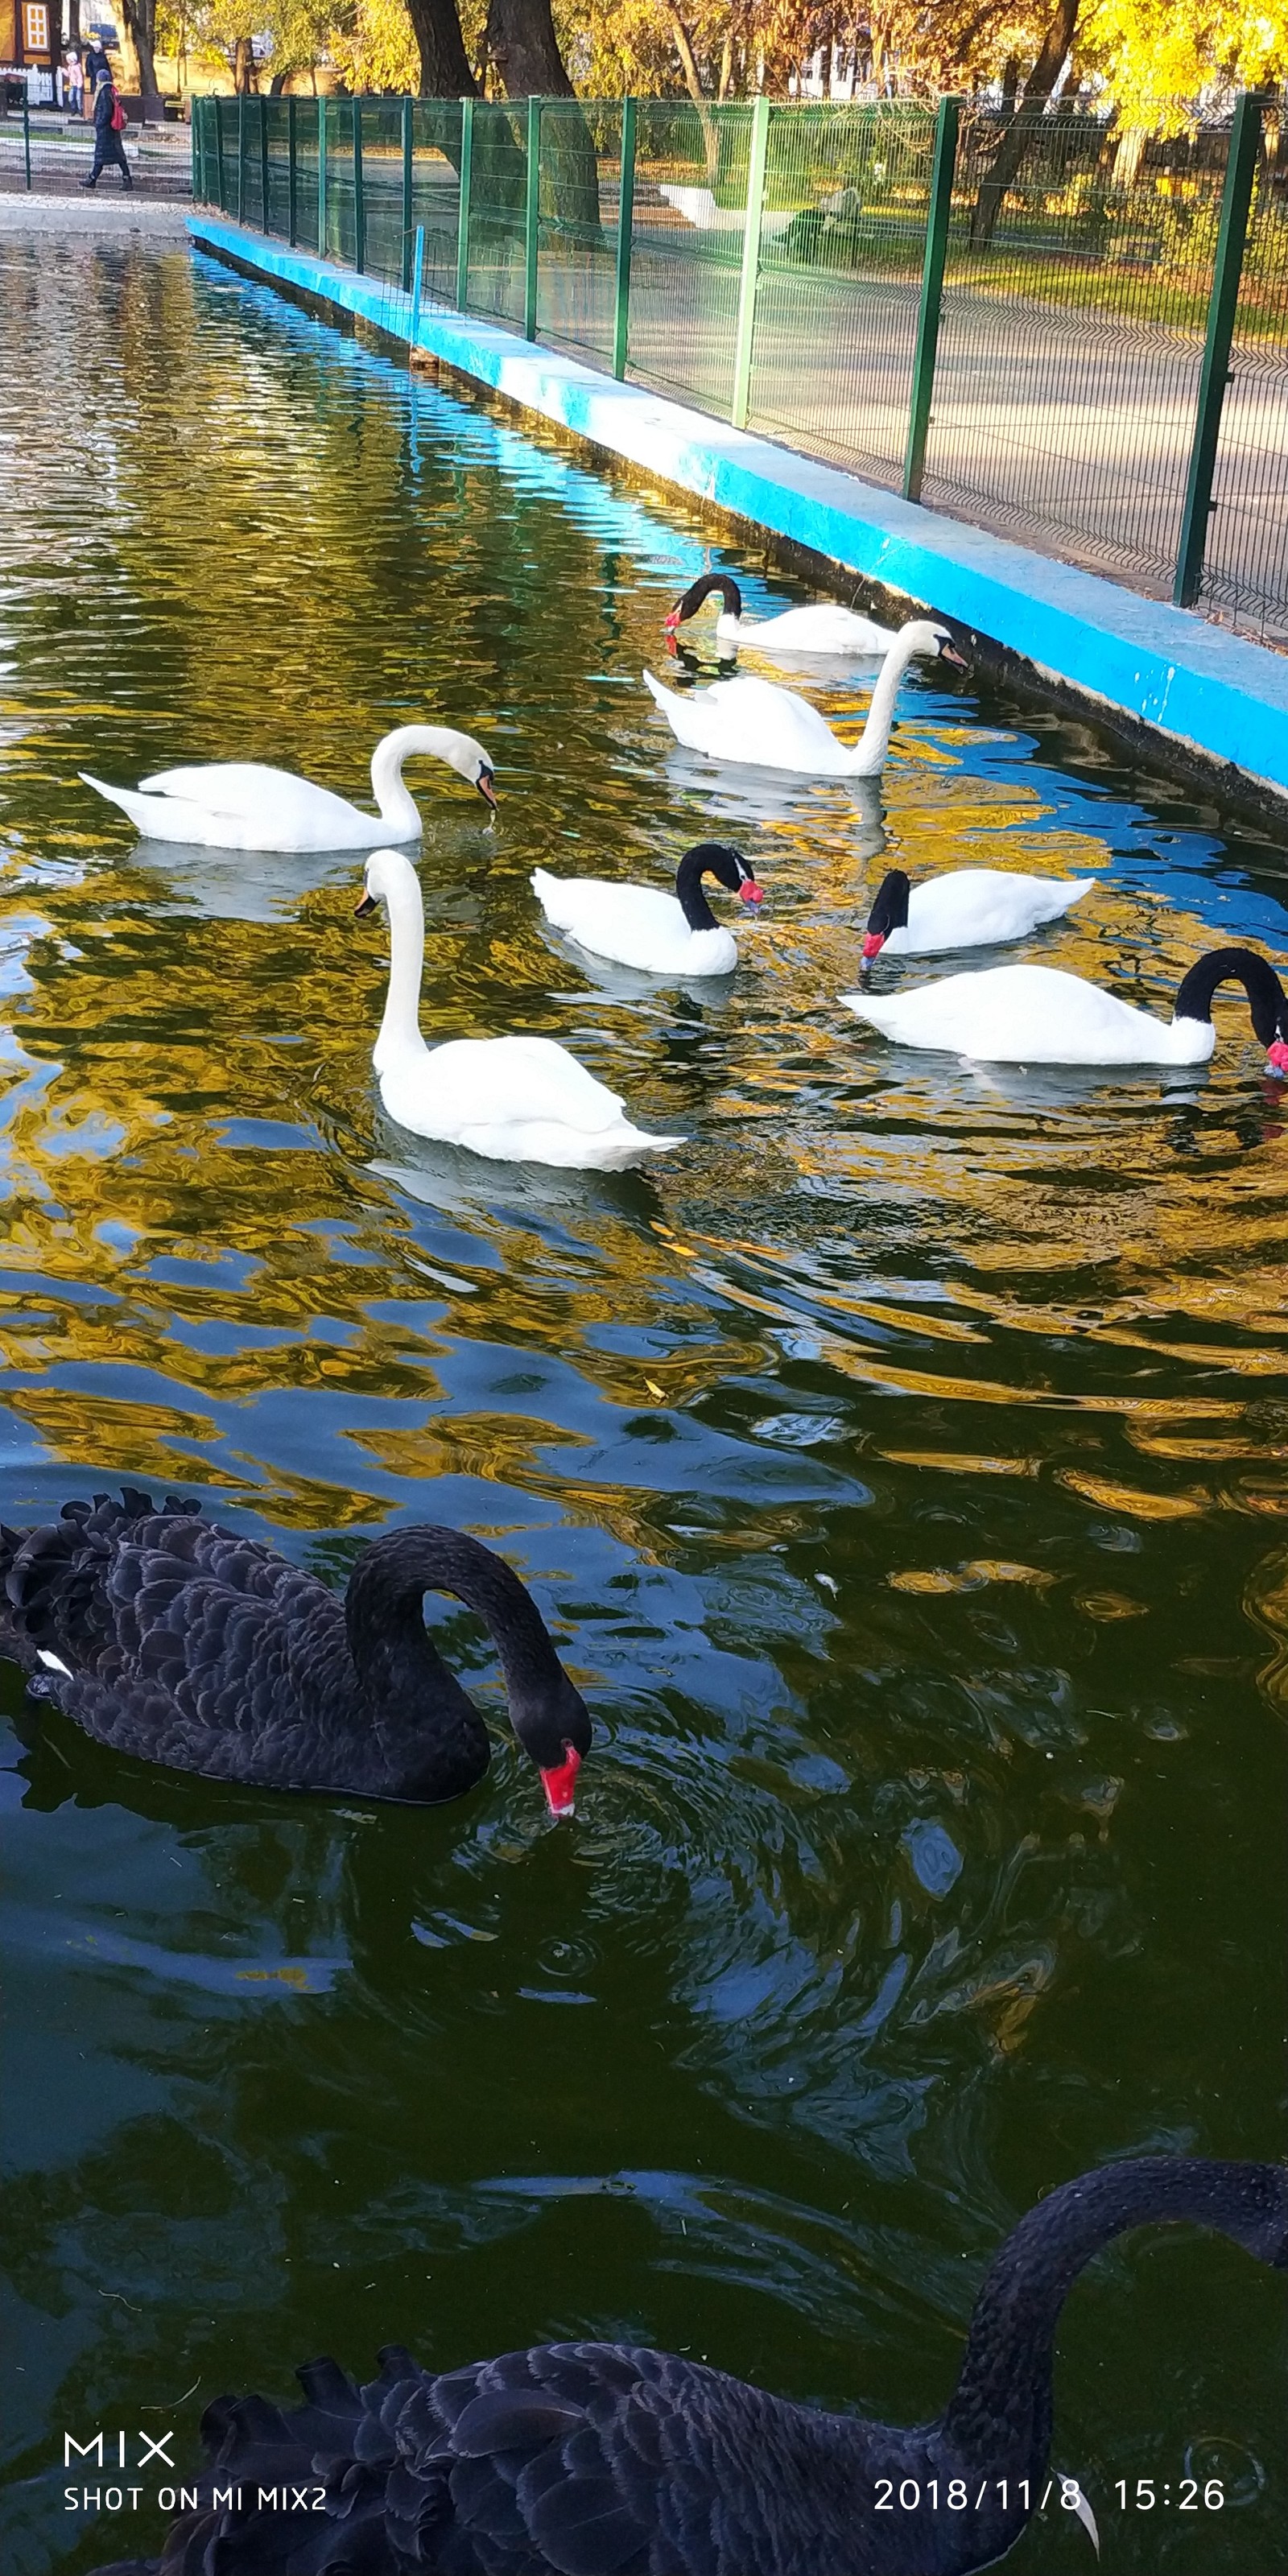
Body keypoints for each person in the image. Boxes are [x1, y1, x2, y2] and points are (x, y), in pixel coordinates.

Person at [80, 76, 132, 189]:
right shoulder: (112, 90)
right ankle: (126, 179)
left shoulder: (104, 92)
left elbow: (106, 112)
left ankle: (92, 179)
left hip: (105, 130)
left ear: (100, 79)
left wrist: (98, 124)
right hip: (113, 129)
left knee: (101, 156)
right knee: (118, 156)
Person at [62, 47, 85, 114]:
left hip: (77, 85)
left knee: (78, 98)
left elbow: (79, 76)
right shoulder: (70, 67)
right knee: (71, 98)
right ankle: (74, 109)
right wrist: (64, 71)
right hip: (72, 85)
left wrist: (80, 84)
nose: (67, 61)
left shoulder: (76, 67)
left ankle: (79, 110)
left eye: (68, 60)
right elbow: (69, 75)